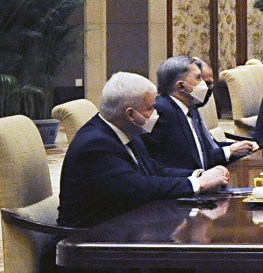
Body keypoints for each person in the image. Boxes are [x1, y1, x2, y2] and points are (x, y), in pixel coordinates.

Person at [58, 72, 230, 228]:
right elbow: (137, 187)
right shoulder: (96, 144)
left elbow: (155, 170)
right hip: (89, 242)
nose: (156, 113)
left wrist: (197, 175)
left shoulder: (127, 131)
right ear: (130, 114)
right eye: (150, 108)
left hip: (123, 228)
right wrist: (197, 184)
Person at [142, 56, 256, 170]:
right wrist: (229, 152)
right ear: (181, 86)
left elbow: (203, 153)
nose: (204, 85)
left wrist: (240, 148)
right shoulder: (162, 112)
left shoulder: (190, 109)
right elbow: (179, 161)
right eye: (198, 77)